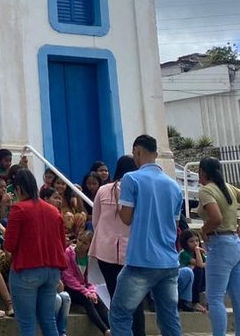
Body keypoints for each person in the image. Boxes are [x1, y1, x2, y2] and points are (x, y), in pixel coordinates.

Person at [109, 135, 184, 336]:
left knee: (119, 313)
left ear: (137, 152)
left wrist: (119, 202)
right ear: (157, 154)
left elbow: (126, 218)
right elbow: (175, 224)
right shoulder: (174, 186)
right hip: (169, 261)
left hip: (141, 260)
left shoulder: (131, 178)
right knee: (169, 318)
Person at [198, 157, 240, 336]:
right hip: (236, 243)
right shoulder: (228, 187)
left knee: (215, 297)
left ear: (203, 172)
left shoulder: (206, 191)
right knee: (237, 295)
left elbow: (216, 218)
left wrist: (204, 231)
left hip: (220, 245)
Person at [3, 168, 67, 336]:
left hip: (27, 269)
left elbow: (9, 245)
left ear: (18, 189)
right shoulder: (54, 210)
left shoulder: (19, 209)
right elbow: (62, 242)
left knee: (27, 323)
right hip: (52, 270)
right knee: (48, 320)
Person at [90, 155, 145, 336]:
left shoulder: (103, 190)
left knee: (115, 297)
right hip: (131, 252)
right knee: (135, 300)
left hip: (105, 250)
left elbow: (96, 220)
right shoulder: (139, 190)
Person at [61, 230, 111, 335]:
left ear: (89, 245)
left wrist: (92, 291)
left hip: (83, 288)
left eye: (85, 243)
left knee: (98, 300)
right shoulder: (68, 253)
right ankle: (105, 330)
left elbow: (91, 279)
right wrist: (86, 292)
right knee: (87, 300)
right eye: (79, 240)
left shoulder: (90, 258)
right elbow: (69, 278)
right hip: (71, 288)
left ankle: (112, 328)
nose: (80, 244)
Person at [177, 230, 207, 312]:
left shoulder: (199, 253)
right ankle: (195, 302)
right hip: (186, 282)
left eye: (197, 240)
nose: (195, 243)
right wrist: (197, 251)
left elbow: (208, 264)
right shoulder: (184, 254)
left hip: (197, 281)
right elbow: (200, 264)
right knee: (199, 270)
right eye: (191, 241)